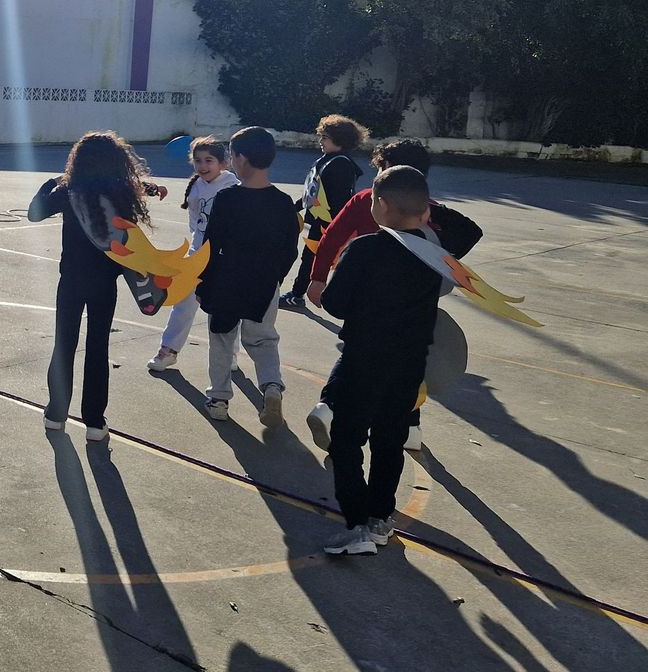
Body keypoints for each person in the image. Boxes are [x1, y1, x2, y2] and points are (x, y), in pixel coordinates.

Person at [303, 139, 482, 452]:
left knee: (354, 357)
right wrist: (443, 257)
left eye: (380, 171)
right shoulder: (428, 212)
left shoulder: (364, 201)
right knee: (408, 368)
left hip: (366, 302)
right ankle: (409, 427)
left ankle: (330, 408)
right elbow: (471, 232)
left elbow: (332, 236)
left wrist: (318, 279)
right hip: (413, 308)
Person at [319, 165, 448, 556]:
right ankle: (381, 518)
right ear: (425, 212)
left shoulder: (365, 248)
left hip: (363, 359)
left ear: (381, 204)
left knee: (346, 441)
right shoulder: (436, 256)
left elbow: (334, 302)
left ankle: (357, 524)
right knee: (390, 441)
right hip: (410, 363)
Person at [27, 131, 153, 442]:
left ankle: (56, 414)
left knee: (64, 346)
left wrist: (52, 182)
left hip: (71, 281)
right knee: (97, 348)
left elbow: (34, 213)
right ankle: (95, 421)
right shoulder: (121, 193)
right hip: (104, 284)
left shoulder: (69, 191)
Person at [195, 126, 301, 426]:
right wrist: (275, 278)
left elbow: (210, 246)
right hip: (264, 282)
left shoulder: (228, 199)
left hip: (227, 280)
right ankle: (271, 386)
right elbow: (289, 250)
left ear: (240, 158)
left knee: (221, 338)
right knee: (263, 339)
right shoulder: (283, 203)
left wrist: (203, 282)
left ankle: (218, 399)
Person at [147, 136, 239, 372]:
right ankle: (168, 350)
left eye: (209, 160)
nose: (203, 165)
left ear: (223, 163)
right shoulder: (196, 186)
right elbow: (195, 221)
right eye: (198, 160)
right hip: (197, 253)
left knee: (223, 308)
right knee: (183, 302)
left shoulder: (232, 186)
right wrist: (197, 246)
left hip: (225, 258)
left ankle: (230, 355)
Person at [281, 114, 369, 309]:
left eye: (325, 137)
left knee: (318, 259)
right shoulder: (330, 159)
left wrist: (335, 225)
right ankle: (298, 293)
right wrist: (297, 206)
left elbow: (338, 198)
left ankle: (298, 295)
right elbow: (313, 193)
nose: (320, 141)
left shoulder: (340, 165)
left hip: (329, 223)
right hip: (322, 220)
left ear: (339, 140)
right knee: (310, 258)